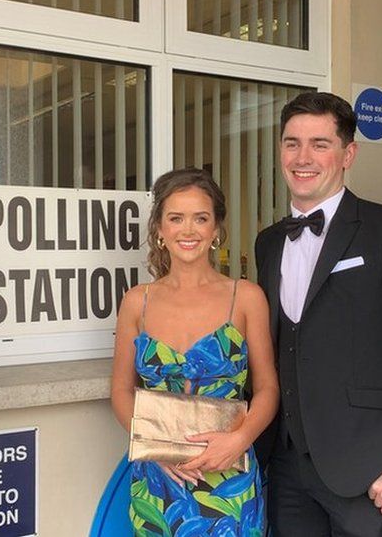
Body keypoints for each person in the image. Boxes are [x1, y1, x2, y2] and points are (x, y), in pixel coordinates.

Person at [254, 91, 382, 537]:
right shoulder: (268, 243)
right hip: (287, 466)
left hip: (372, 471)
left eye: (319, 144)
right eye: (292, 143)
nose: (302, 157)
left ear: (348, 153)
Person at [110, 168, 279, 535]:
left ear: (216, 229)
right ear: (159, 228)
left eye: (200, 218)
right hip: (158, 480)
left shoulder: (246, 297)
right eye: (176, 218)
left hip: (229, 478)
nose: (188, 231)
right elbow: (121, 390)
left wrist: (240, 439)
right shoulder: (137, 302)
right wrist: (155, 448)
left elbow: (268, 389)